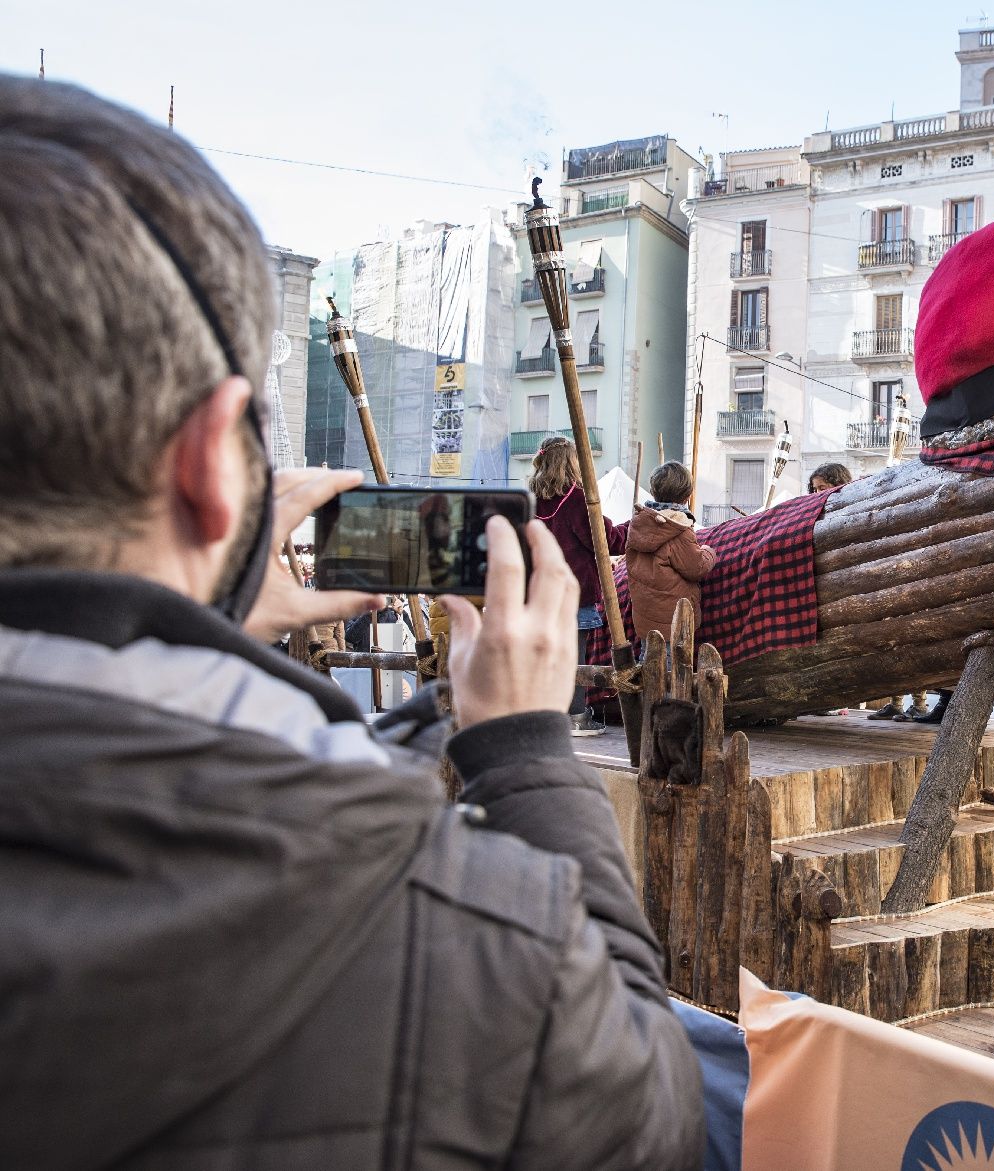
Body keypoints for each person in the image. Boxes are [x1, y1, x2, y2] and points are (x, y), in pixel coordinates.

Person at [0, 78, 702, 1168]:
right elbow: (649, 1120)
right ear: (208, 466)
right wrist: (521, 753)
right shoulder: (464, 927)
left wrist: (208, 616)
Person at [532, 434, 629, 717]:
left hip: (539, 594)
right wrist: (634, 527)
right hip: (573, 594)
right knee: (573, 660)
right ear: (571, 463)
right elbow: (606, 540)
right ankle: (574, 716)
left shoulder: (529, 500)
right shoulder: (576, 499)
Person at [626, 461, 717, 642]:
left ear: (653, 491)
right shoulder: (678, 529)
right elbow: (697, 568)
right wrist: (709, 551)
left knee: (649, 662)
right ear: (687, 495)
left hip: (645, 620)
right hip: (673, 624)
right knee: (671, 668)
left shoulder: (639, 523)